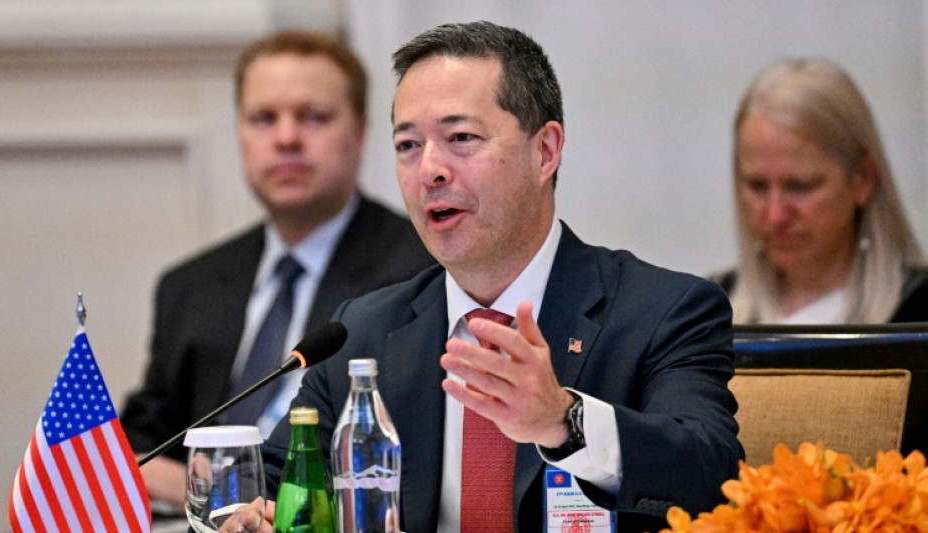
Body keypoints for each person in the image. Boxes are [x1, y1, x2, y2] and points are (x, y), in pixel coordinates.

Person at [224, 21, 742, 533]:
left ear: (545, 151)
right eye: (408, 145)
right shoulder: (363, 331)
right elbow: (277, 479)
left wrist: (563, 420)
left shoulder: (664, 310)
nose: (430, 170)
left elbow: (711, 473)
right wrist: (254, 515)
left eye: (461, 137)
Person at [119, 30, 435, 507]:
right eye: (264, 118)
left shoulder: (420, 272)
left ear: (360, 133)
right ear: (240, 134)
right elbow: (142, 442)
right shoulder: (190, 285)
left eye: (314, 117)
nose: (287, 139)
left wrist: (204, 489)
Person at [712, 57, 928, 324]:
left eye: (799, 187)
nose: (775, 215)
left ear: (863, 179)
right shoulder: (705, 313)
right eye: (757, 186)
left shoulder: (917, 312)